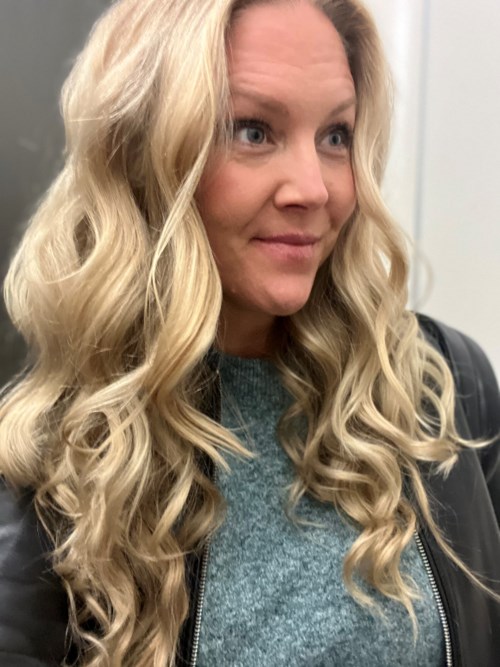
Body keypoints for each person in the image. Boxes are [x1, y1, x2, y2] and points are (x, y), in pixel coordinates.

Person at [0, 0, 498, 665]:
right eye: (254, 131)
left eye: (336, 135)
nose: (314, 189)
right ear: (145, 151)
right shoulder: (53, 461)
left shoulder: (444, 386)